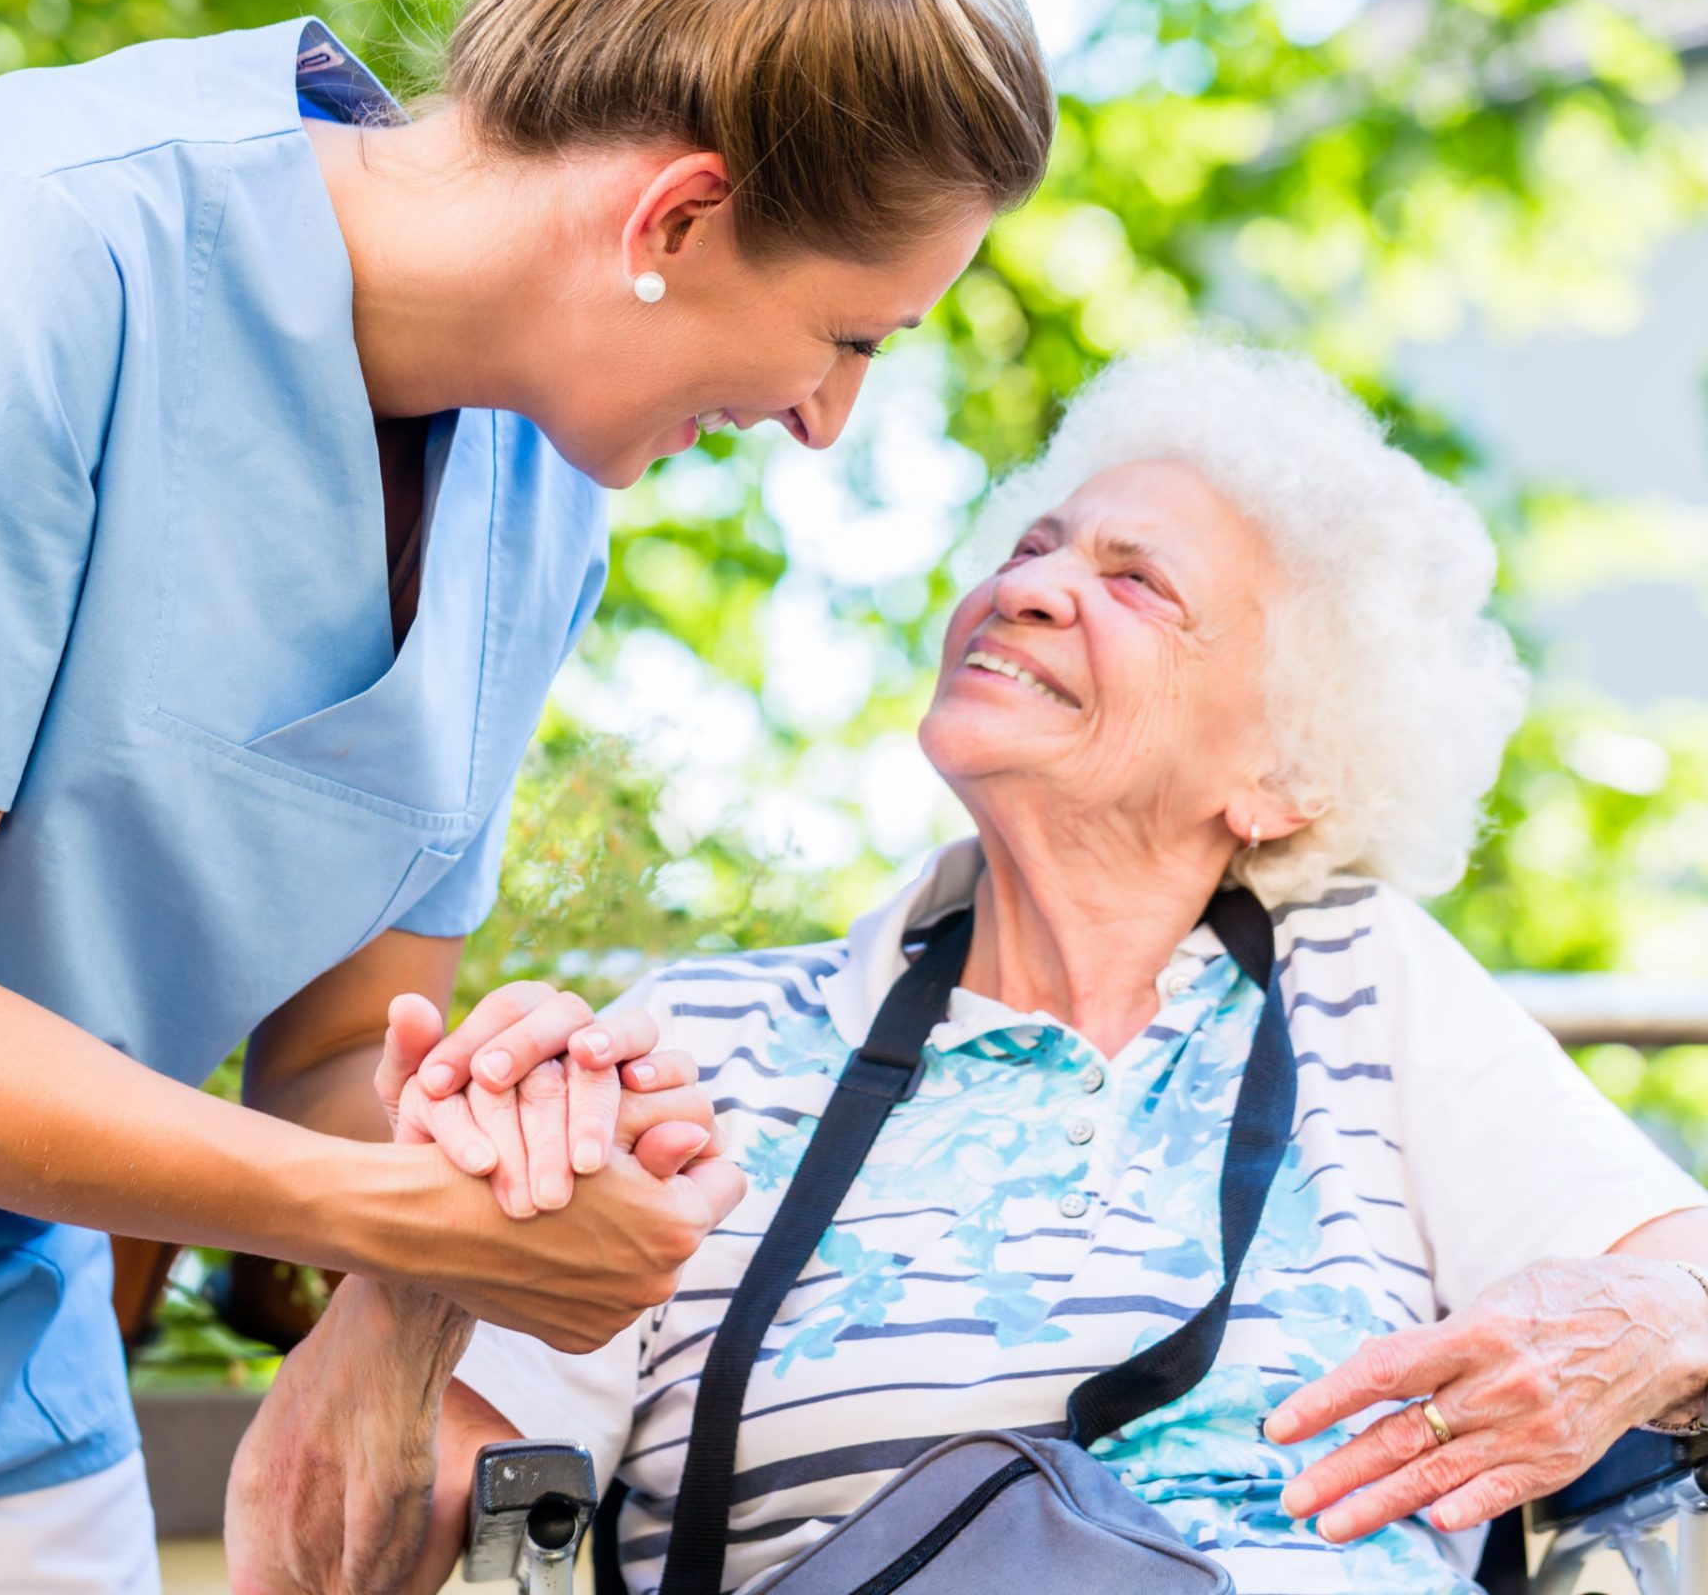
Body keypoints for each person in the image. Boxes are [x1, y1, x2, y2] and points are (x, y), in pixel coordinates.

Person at [0, 0, 1055, 1589]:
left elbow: (339, 1056)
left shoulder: (539, 493)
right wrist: (385, 1214)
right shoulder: (35, 252)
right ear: (676, 217)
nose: (827, 425)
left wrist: (511, 1138)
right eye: (848, 339)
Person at [234, 342, 1708, 1595]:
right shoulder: (701, 1042)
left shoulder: (1361, 985)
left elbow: (1684, 1285)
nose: (1038, 588)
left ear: (1282, 774)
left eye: (1139, 585)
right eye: (1031, 548)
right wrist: (420, 1263)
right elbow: (327, 1568)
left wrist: (1643, 1328)